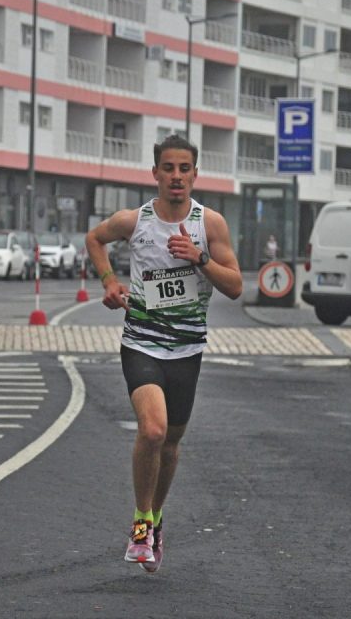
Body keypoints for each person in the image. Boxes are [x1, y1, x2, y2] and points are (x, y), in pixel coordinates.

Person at [86, 134, 242, 572]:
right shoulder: (134, 221)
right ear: (155, 173)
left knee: (171, 443)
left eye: (184, 169)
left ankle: (155, 520)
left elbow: (234, 286)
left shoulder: (209, 224)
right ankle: (139, 525)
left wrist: (199, 259)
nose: (176, 176)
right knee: (152, 431)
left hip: (187, 348)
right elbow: (95, 239)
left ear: (195, 174)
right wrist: (108, 282)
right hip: (141, 342)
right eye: (168, 168)